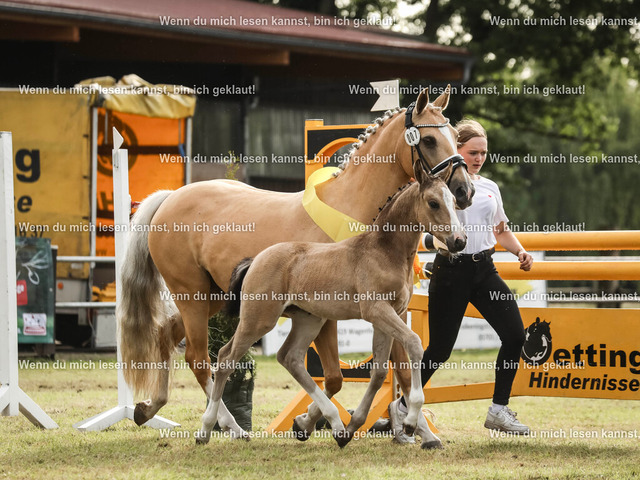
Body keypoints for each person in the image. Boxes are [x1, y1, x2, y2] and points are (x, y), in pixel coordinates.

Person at [389, 119, 534, 443]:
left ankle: (498, 410)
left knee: (515, 336)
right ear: (457, 150)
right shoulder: (436, 185)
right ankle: (402, 407)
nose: (479, 158)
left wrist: (520, 251)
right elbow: (421, 227)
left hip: (485, 270)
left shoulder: (490, 186)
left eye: (483, 152)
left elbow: (500, 230)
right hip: (451, 271)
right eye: (473, 152)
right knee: (440, 350)